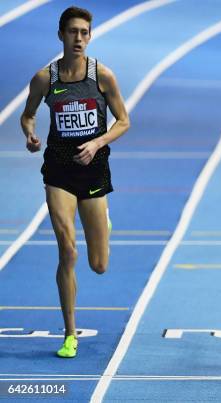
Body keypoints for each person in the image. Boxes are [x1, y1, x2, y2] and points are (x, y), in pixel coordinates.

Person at [20, 6, 130, 358]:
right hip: (59, 171)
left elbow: (124, 121)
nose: (79, 38)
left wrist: (97, 142)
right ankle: (69, 334)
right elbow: (27, 116)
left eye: (84, 32)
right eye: (73, 32)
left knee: (99, 265)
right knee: (67, 251)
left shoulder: (103, 76)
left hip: (94, 169)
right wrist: (31, 135)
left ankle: (104, 223)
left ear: (90, 36)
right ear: (61, 35)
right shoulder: (44, 79)